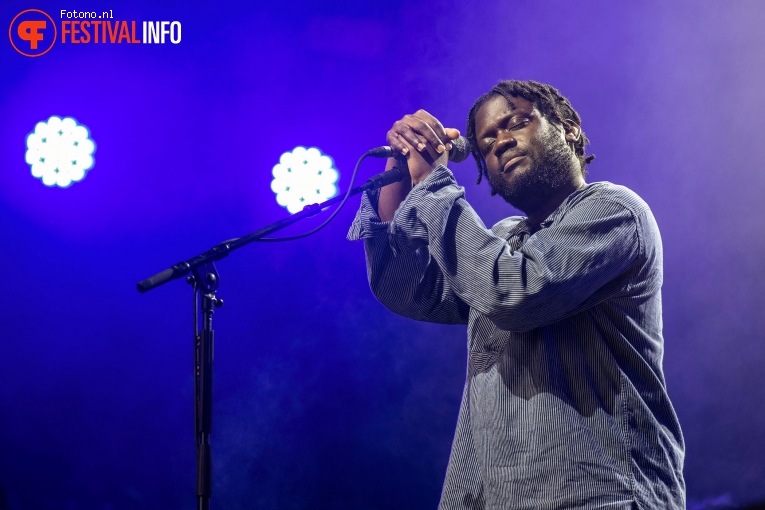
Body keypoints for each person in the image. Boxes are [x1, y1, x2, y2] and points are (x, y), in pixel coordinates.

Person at [348, 80, 685, 509]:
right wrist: (401, 166)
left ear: (569, 130)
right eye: (486, 142)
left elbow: (512, 292)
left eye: (517, 123)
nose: (501, 142)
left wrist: (433, 184)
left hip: (603, 494)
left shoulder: (614, 210)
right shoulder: (503, 240)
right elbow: (408, 287)